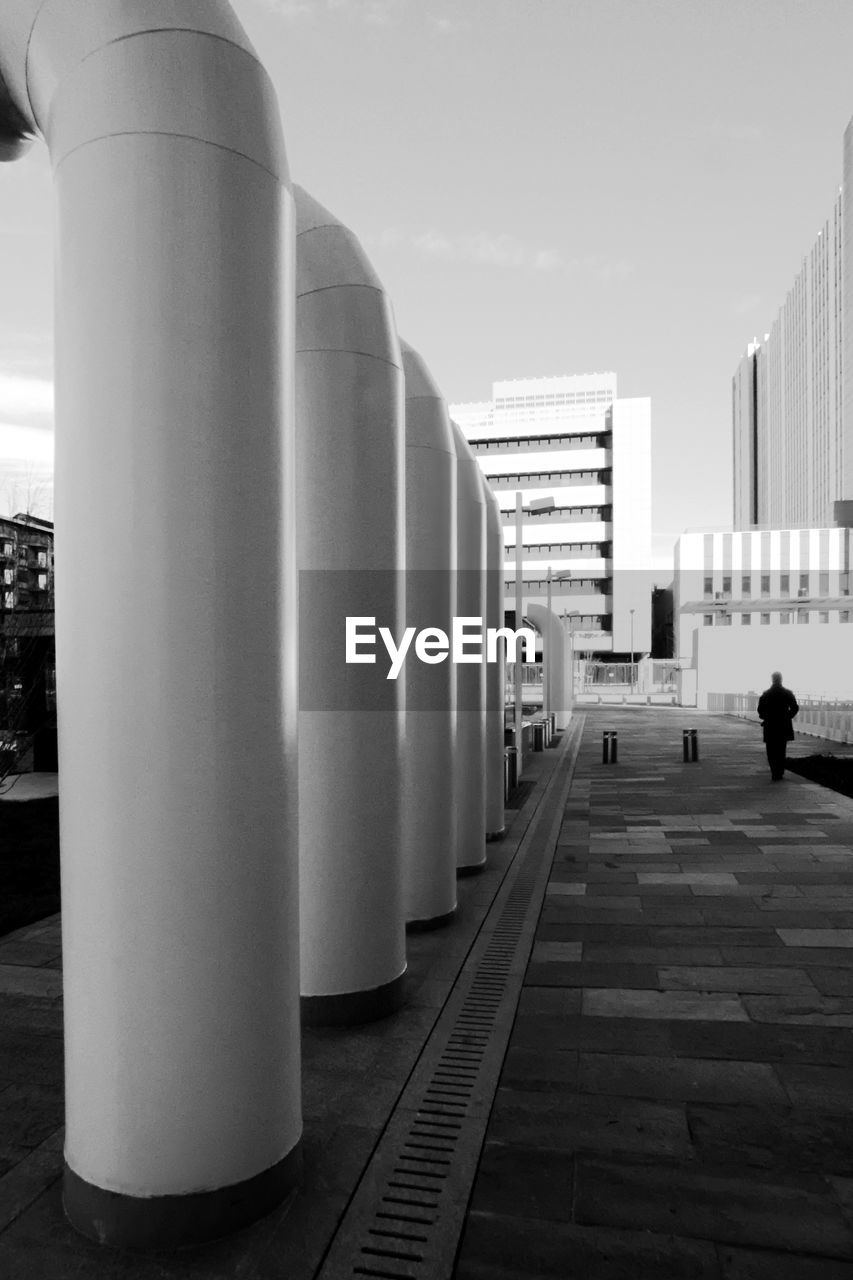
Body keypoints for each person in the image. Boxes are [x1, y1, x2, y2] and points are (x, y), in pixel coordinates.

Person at [756, 671, 799, 781]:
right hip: (783, 725)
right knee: (781, 749)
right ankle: (779, 772)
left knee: (771, 750)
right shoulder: (787, 693)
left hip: (770, 725)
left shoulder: (766, 694)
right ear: (781, 679)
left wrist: (766, 717)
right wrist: (787, 717)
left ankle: (774, 771)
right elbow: (795, 707)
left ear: (772, 679)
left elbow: (760, 710)